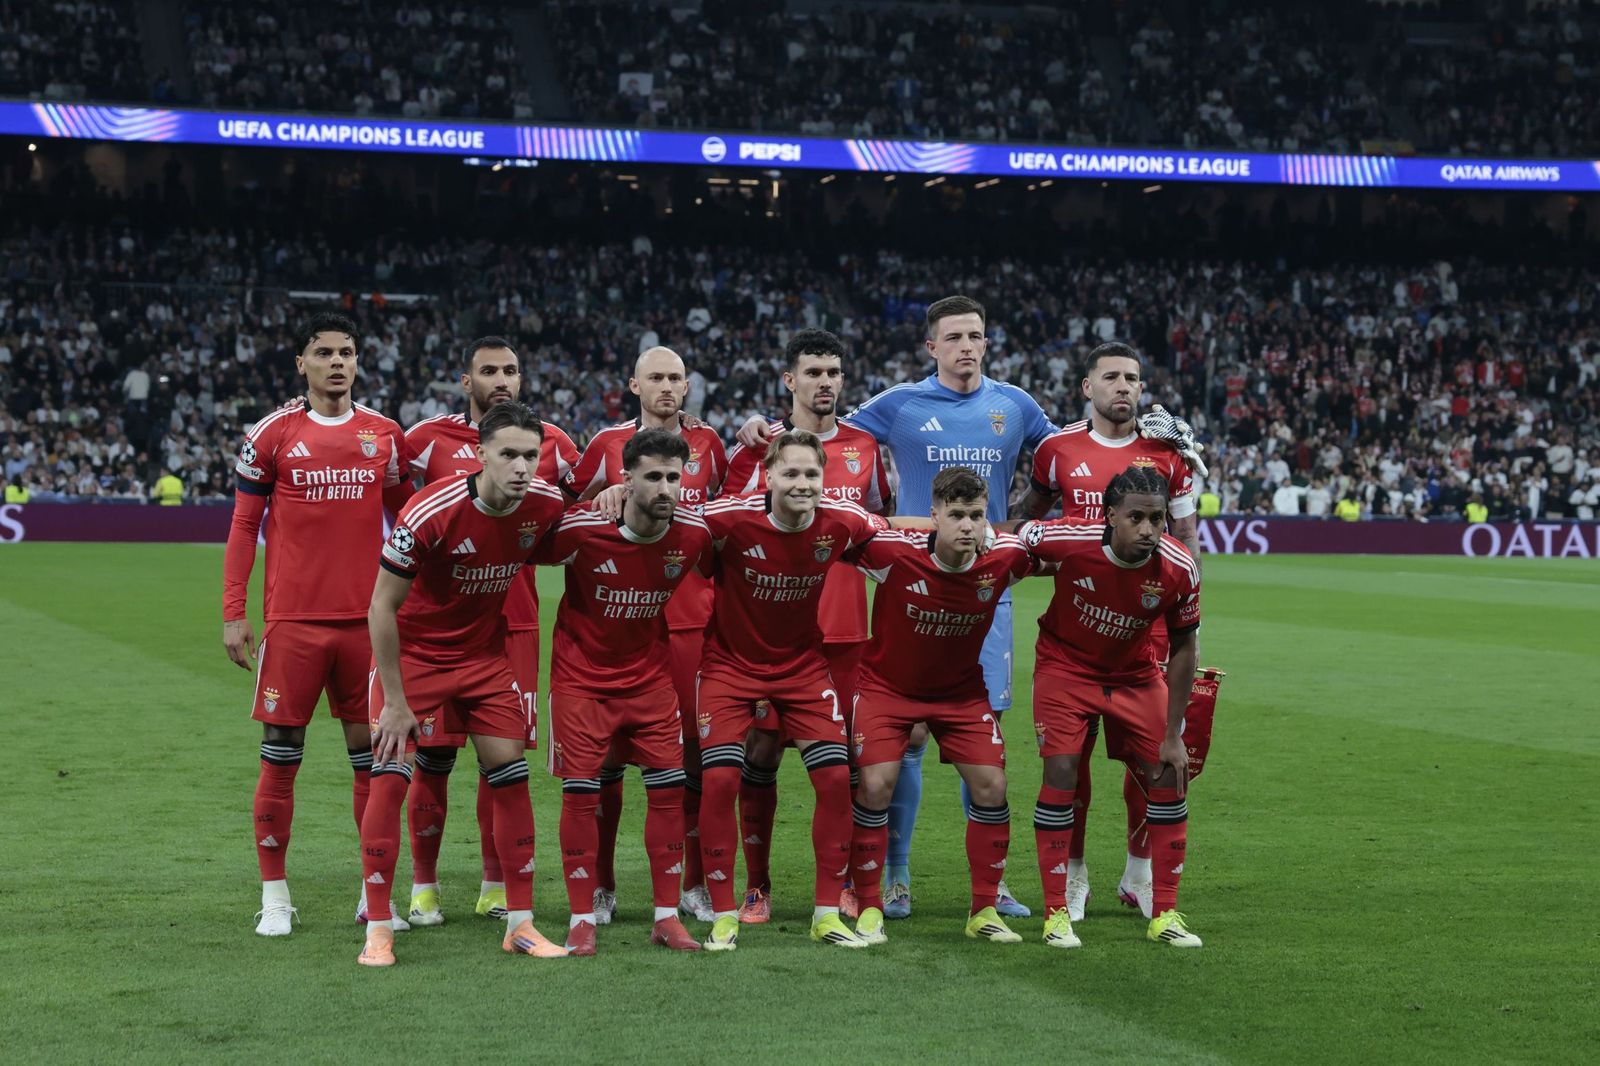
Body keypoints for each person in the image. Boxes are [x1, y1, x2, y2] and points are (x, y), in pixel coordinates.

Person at [737, 295, 1054, 920]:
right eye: (955, 336)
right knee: (901, 738)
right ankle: (896, 876)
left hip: (986, 589)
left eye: (977, 335)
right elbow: (820, 435)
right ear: (931, 346)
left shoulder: (1016, 406)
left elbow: (1061, 463)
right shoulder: (896, 405)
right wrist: (757, 424)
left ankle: (995, 886)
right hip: (908, 588)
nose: (968, 345)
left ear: (988, 342)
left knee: (983, 729)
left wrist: (1020, 523)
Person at [221, 312, 413, 936]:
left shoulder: (386, 437)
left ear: (359, 362)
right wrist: (234, 613)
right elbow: (245, 527)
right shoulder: (272, 435)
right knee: (281, 759)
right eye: (324, 352)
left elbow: (409, 527)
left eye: (347, 352)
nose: (337, 362)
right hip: (295, 624)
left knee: (373, 761)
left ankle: (372, 893)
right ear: (300, 363)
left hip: (367, 627)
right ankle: (275, 897)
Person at [359, 402, 568, 966]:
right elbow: (381, 606)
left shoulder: (545, 504)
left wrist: (612, 497)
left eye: (531, 455)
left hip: (483, 661)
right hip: (417, 658)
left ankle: (520, 924)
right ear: (480, 456)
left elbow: (582, 531)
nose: (522, 467)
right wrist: (396, 702)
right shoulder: (431, 509)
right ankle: (379, 926)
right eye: (509, 455)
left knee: (511, 776)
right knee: (390, 776)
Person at [1018, 341, 1201, 921]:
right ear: (1087, 387)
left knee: (1148, 765)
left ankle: (1139, 872)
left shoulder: (1169, 454)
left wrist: (1187, 617)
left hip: (1146, 629)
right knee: (1072, 762)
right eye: (1112, 377)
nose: (1124, 387)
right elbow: (1030, 521)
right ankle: (1073, 874)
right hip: (1080, 627)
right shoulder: (1056, 450)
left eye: (1133, 379)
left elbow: (1188, 540)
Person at [401, 336, 579, 927]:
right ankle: (423, 885)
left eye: (510, 370)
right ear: (465, 379)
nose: (501, 378)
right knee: (432, 757)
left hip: (516, 621)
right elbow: (399, 515)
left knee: (500, 760)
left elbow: (575, 517)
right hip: (439, 629)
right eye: (488, 370)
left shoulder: (551, 443)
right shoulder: (425, 441)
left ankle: (495, 883)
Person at [721, 328, 894, 923]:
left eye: (833, 372)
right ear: (789, 380)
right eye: (813, 372)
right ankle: (757, 885)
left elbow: (880, 532)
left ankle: (844, 883)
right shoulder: (756, 448)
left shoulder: (867, 447)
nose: (825, 382)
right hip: (767, 634)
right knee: (761, 752)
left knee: (842, 761)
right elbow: (726, 529)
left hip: (845, 634)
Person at [696, 430, 891, 951]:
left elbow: (895, 537)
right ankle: (724, 912)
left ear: (824, 479)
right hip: (730, 667)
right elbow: (665, 523)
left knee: (833, 778)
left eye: (811, 474)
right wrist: (617, 494)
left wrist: (971, 525)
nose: (802, 484)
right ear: (769, 476)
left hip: (803, 668)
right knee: (718, 782)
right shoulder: (728, 519)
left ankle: (826, 912)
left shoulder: (843, 522)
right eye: (791, 473)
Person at [562, 346, 727, 925]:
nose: (666, 386)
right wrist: (600, 496)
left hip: (692, 622)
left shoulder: (711, 444)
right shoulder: (605, 445)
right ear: (634, 384)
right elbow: (567, 508)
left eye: (675, 378)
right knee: (605, 763)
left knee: (692, 760)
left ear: (687, 386)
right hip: (621, 621)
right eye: (655, 377)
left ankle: (693, 886)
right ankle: (602, 886)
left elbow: (723, 522)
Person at [536, 428, 713, 956]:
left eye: (673, 478)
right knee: (583, 795)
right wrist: (590, 499)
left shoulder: (694, 535)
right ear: (627, 478)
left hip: (651, 680)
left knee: (667, 792)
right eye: (652, 477)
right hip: (581, 682)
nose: (665, 488)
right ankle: (581, 918)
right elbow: (518, 545)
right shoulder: (583, 530)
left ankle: (665, 918)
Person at [845, 467, 1034, 946]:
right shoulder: (892, 555)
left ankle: (984, 909)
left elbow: (1058, 548)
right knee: (875, 784)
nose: (967, 526)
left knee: (992, 785)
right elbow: (836, 531)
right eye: (956, 515)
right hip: (888, 689)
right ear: (934, 516)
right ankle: (869, 907)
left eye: (975, 516)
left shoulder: (1003, 561)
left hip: (960, 694)